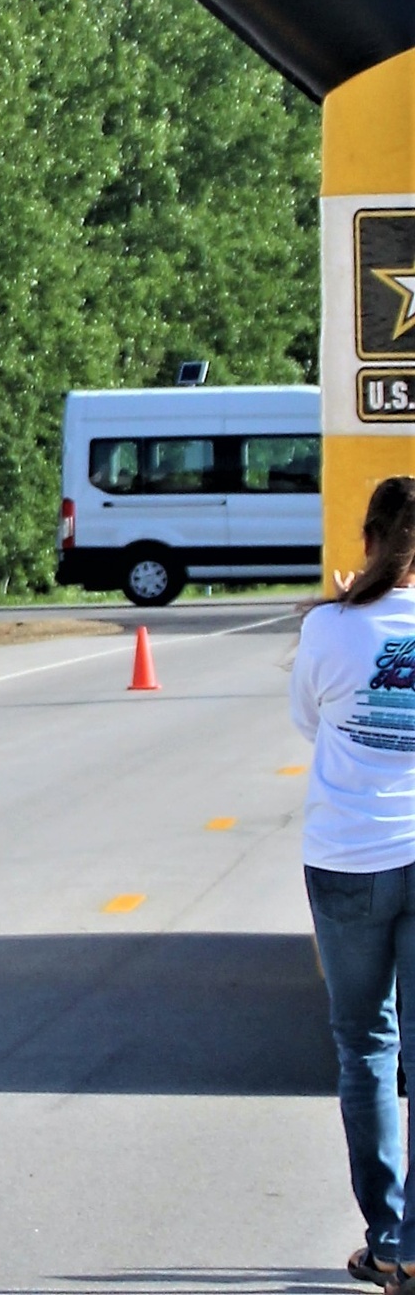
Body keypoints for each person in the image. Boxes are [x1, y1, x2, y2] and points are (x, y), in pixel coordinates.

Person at [290, 476, 415, 1293]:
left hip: (344, 859)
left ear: (366, 539)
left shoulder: (327, 628)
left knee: (366, 1044)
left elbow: (309, 721)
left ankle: (393, 1236)